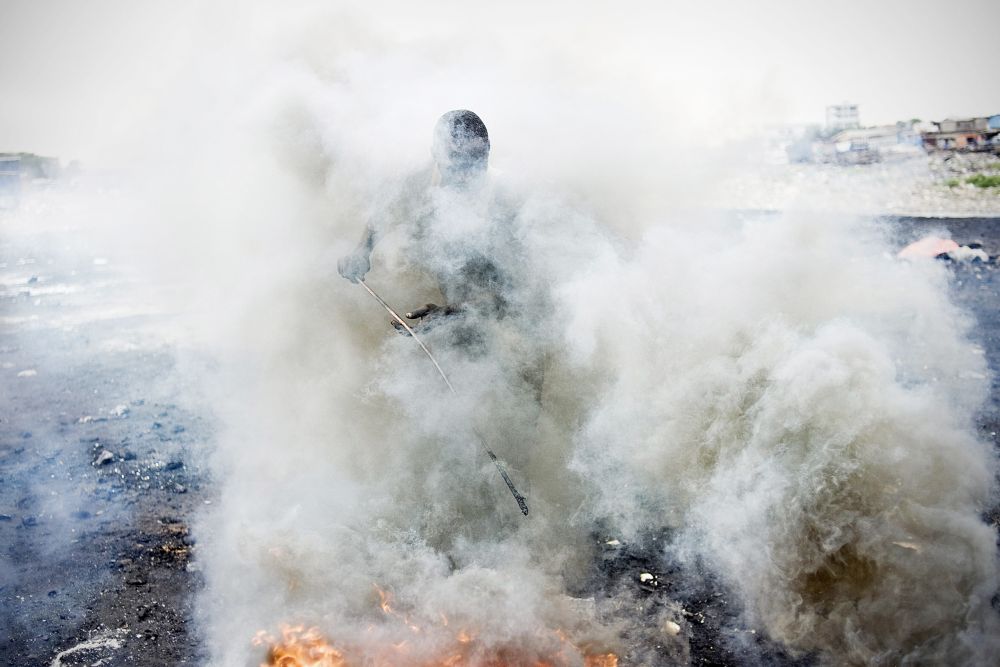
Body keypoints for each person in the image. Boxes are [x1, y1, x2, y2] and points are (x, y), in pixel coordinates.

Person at [337, 109, 517, 346]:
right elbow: (386, 210)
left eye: (476, 160)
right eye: (456, 162)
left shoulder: (505, 199)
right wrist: (362, 250)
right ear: (435, 155)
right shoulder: (418, 180)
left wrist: (451, 313)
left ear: (488, 150)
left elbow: (517, 293)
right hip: (455, 306)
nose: (466, 175)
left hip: (507, 325)